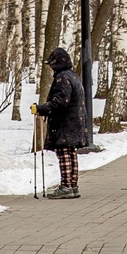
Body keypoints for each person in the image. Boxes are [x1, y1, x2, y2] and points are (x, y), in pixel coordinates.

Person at [36, 47, 91, 198]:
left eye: (51, 64)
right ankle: (73, 185)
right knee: (70, 152)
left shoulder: (62, 79)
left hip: (65, 123)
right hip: (74, 121)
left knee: (64, 152)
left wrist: (41, 109)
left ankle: (66, 186)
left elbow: (60, 102)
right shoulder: (73, 76)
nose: (49, 68)